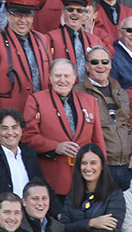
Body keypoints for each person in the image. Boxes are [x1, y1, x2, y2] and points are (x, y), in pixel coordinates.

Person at [22, 59, 104, 201]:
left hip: (86, 178)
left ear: (74, 78)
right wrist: (56, 147)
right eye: (57, 75)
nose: (62, 80)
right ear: (50, 77)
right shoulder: (36, 100)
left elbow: (98, 140)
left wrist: (102, 170)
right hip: (54, 179)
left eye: (67, 76)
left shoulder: (90, 101)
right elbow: (27, 136)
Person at [0, 0, 55, 119]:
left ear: (33, 18)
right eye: (18, 15)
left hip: (40, 113)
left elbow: (50, 77)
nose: (23, 20)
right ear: (8, 16)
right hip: (9, 114)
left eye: (27, 16)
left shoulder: (42, 39)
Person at [82, 48, 132, 187]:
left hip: (125, 166)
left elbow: (127, 126)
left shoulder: (120, 91)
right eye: (94, 62)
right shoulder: (79, 93)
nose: (100, 66)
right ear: (87, 66)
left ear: (110, 65)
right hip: (102, 165)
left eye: (105, 62)